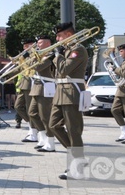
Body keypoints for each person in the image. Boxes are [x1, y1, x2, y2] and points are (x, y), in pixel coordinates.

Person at [48, 22, 88, 180]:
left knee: (73, 131)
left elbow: (65, 70)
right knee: (53, 125)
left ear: (69, 35)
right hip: (61, 92)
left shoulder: (78, 49)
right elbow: (57, 74)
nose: (57, 38)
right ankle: (78, 156)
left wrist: (58, 56)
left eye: (59, 35)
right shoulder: (66, 51)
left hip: (72, 93)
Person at [28, 34, 56, 152]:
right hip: (37, 87)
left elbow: (37, 67)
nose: (37, 45)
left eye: (40, 43)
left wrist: (33, 56)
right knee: (32, 113)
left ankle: (50, 142)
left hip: (46, 87)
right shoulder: (39, 55)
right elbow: (29, 67)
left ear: (48, 43)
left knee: (45, 116)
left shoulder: (50, 55)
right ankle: (43, 137)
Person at [16, 38, 36, 141]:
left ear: (32, 45)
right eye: (24, 46)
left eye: (26, 45)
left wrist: (25, 59)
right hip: (22, 84)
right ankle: (33, 125)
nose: (24, 47)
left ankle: (33, 131)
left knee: (30, 109)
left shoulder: (35, 54)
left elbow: (32, 68)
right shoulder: (24, 56)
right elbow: (19, 70)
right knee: (18, 106)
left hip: (30, 84)